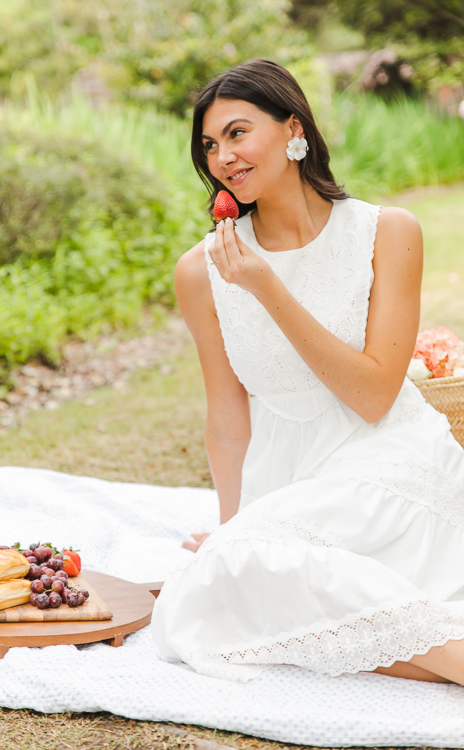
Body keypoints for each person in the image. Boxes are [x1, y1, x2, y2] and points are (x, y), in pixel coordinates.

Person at [151, 59, 464, 685]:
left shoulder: (386, 232)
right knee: (207, 589)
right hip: (287, 477)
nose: (222, 157)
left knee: (242, 589)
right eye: (209, 144)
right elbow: (228, 417)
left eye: (238, 133)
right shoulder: (200, 270)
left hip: (387, 459)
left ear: (293, 128)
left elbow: (375, 395)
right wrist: (233, 528)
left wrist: (269, 288)